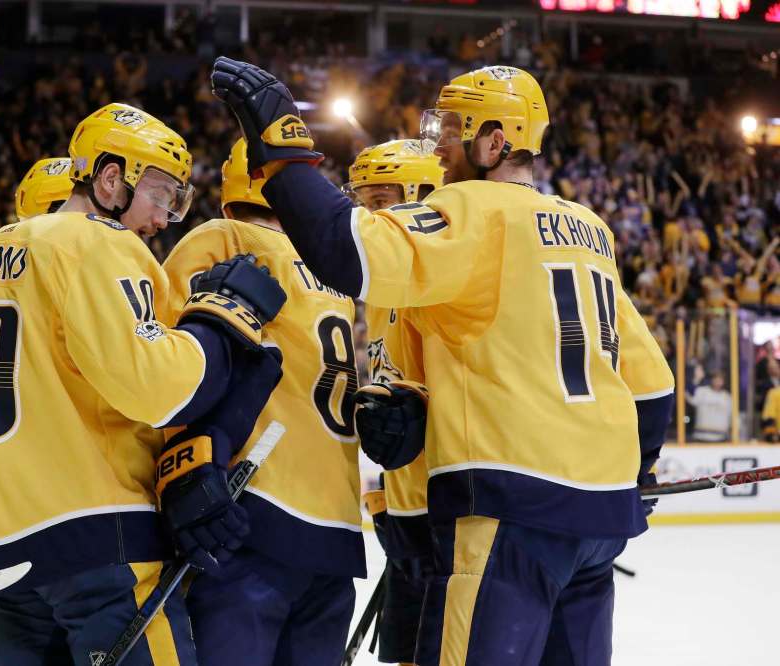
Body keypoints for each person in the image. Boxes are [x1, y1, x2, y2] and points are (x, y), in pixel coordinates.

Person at [212, 59, 675, 665]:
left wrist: (280, 143)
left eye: (452, 130)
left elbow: (343, 247)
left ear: (493, 140)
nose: (439, 147)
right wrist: (636, 472)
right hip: (599, 520)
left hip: (515, 507)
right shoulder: (588, 227)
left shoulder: (476, 210)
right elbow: (651, 384)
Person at [0, 103, 287, 665]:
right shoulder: (101, 244)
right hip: (96, 537)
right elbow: (158, 389)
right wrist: (222, 320)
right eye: (163, 194)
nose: (167, 217)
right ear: (111, 178)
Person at [160, 138, 363, 665]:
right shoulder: (334, 272)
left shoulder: (223, 237)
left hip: (250, 504)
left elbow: (172, 371)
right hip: (336, 519)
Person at [345, 139, 443, 666]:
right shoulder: (381, 289)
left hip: (451, 517)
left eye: (380, 201)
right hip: (408, 511)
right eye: (362, 203)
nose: (368, 219)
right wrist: (388, 499)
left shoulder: (443, 284)